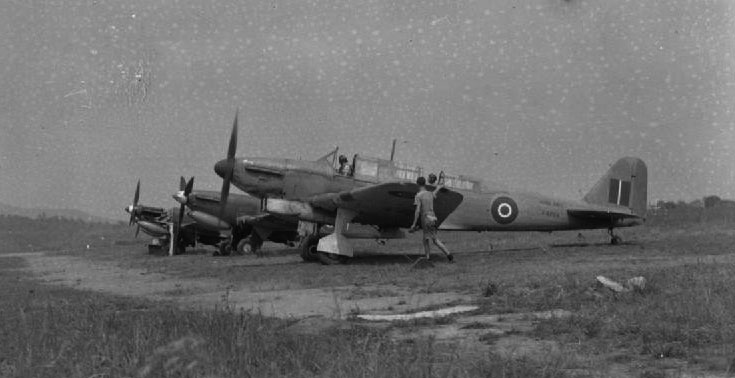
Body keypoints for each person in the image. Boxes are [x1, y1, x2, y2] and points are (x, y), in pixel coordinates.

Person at [410, 176, 453, 262]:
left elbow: (417, 210)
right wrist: (439, 187)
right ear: (425, 183)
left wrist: (414, 224)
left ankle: (428, 258)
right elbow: (434, 193)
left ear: (417, 184)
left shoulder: (418, 196)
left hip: (426, 219)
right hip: (433, 218)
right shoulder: (429, 193)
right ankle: (448, 255)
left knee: (429, 239)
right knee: (432, 239)